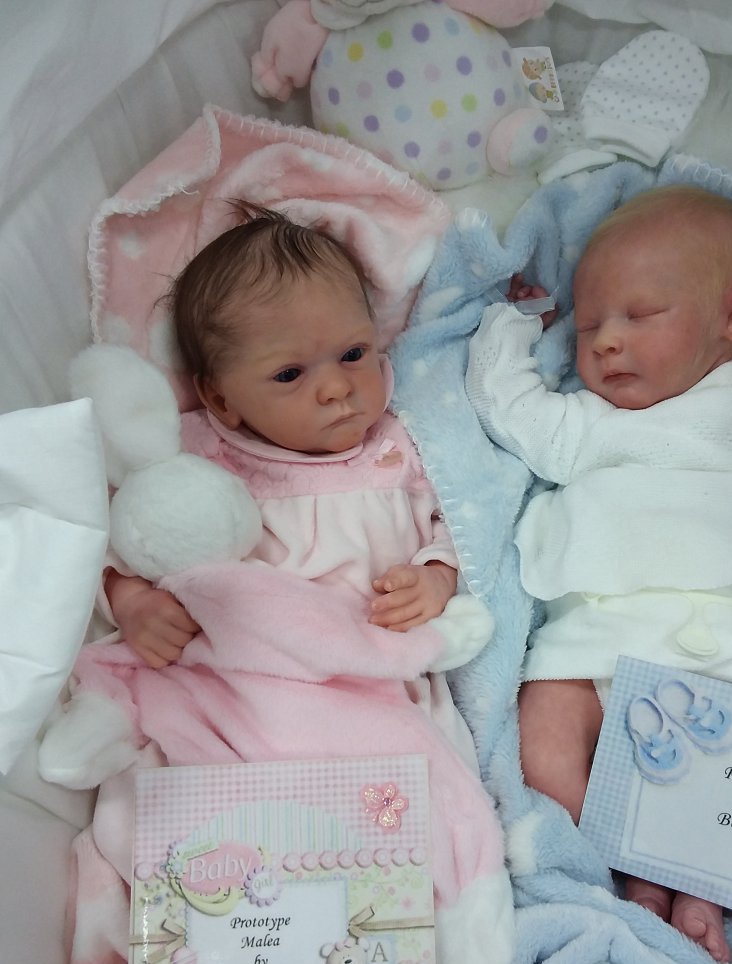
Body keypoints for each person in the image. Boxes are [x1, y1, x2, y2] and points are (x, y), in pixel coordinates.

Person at [465, 184, 732, 963]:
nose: (606, 341)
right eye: (589, 326)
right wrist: (512, 325)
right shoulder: (589, 428)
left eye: (639, 315)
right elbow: (510, 410)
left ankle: (697, 887)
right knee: (545, 724)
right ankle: (628, 868)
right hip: (598, 648)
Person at [103, 202, 487, 772]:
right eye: (289, 374)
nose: (336, 388)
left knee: (432, 777)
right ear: (221, 399)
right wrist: (130, 599)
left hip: (375, 682)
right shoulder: (199, 457)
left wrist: (436, 576)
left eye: (353, 354)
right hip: (240, 684)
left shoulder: (405, 444)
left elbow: (465, 522)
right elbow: (127, 531)